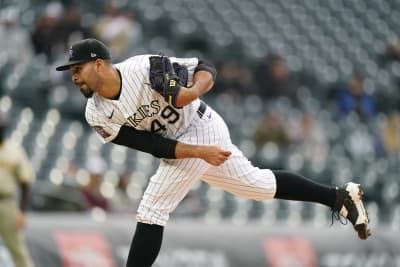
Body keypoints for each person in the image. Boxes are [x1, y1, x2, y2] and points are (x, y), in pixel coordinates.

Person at [56, 38, 371, 267]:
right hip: (185, 144)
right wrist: (199, 152)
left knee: (152, 209)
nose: (73, 75)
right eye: (71, 70)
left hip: (201, 123)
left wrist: (192, 91)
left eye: (77, 67)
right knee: (258, 186)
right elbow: (153, 146)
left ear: (99, 63)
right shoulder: (96, 114)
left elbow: (205, 67)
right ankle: (338, 197)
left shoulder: (145, 67)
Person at [0, 113, 35, 267]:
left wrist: (22, 211)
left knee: (18, 249)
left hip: (6, 203)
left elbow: (25, 184)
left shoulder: (14, 151)